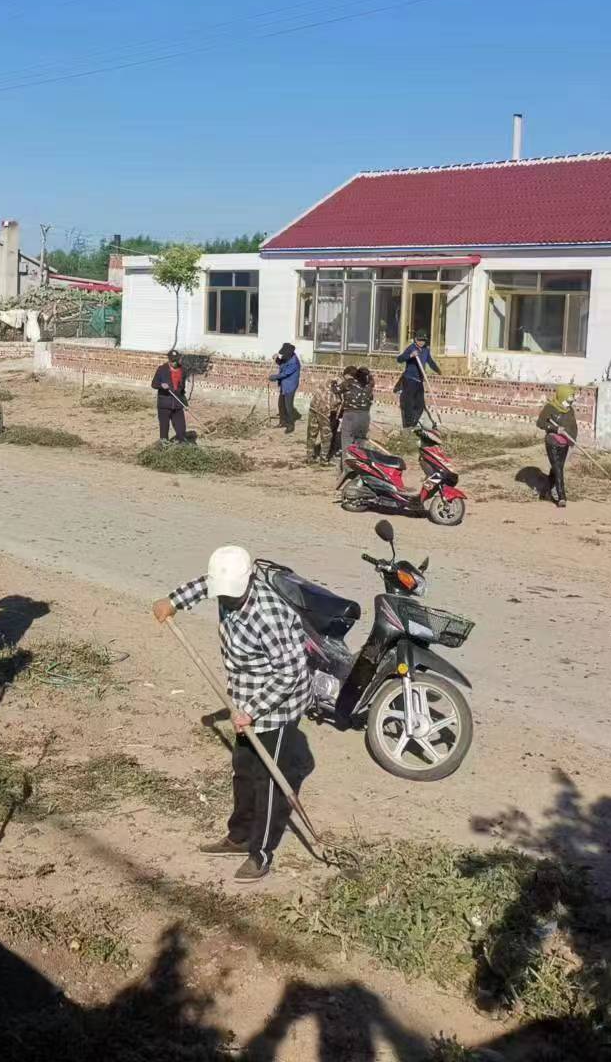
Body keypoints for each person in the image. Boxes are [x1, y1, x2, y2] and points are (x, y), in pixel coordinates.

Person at [150, 546, 313, 883]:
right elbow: (204, 584)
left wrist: (251, 711)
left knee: (269, 781)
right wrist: (173, 601)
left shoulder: (269, 616)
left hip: (277, 704)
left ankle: (261, 853)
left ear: (248, 581)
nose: (225, 599)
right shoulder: (227, 587)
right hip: (245, 695)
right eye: (221, 593)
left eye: (230, 594)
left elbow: (291, 672)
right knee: (243, 769)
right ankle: (239, 836)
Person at [535, 385, 579, 508]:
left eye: (572, 399)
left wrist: (572, 441)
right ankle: (561, 497)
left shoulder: (570, 410)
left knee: (556, 469)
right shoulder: (550, 408)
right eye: (569, 399)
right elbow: (540, 423)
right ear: (562, 396)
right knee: (558, 469)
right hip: (552, 441)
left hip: (565, 443)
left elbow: (573, 427)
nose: (570, 402)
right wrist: (555, 429)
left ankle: (545, 492)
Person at [396, 332, 439, 429]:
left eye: (423, 340)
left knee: (420, 405)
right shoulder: (411, 348)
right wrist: (410, 355)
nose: (421, 342)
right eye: (420, 340)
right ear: (415, 339)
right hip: (409, 380)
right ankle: (408, 426)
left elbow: (430, 362)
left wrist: (438, 370)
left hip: (419, 380)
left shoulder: (425, 350)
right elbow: (399, 359)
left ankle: (414, 423)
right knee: (409, 404)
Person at [336, 367, 374, 465]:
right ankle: (359, 467)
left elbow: (336, 390)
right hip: (365, 416)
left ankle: (348, 469)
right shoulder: (370, 386)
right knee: (360, 445)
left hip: (351, 415)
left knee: (347, 443)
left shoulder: (349, 383)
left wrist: (334, 382)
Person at [151, 350, 190, 444]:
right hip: (164, 403)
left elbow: (182, 390)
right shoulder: (162, 369)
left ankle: (181, 445)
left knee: (181, 429)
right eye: (172, 360)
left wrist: (185, 403)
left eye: (176, 360)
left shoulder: (183, 370)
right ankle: (164, 445)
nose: (174, 362)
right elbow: (154, 384)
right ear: (169, 359)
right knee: (164, 428)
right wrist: (161, 385)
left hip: (177, 404)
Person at [305, 374, 343, 463]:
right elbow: (334, 403)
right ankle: (323, 459)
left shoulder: (325, 382)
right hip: (325, 411)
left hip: (314, 408)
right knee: (327, 436)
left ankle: (309, 456)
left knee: (311, 434)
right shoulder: (337, 385)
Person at [269, 344, 301, 433]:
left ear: (289, 353)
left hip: (290, 386)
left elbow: (285, 373)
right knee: (281, 405)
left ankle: (290, 425)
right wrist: (277, 359)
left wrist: (274, 377)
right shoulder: (287, 357)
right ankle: (282, 422)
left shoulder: (294, 362)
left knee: (288, 407)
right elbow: (282, 364)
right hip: (284, 385)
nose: (282, 355)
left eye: (283, 354)